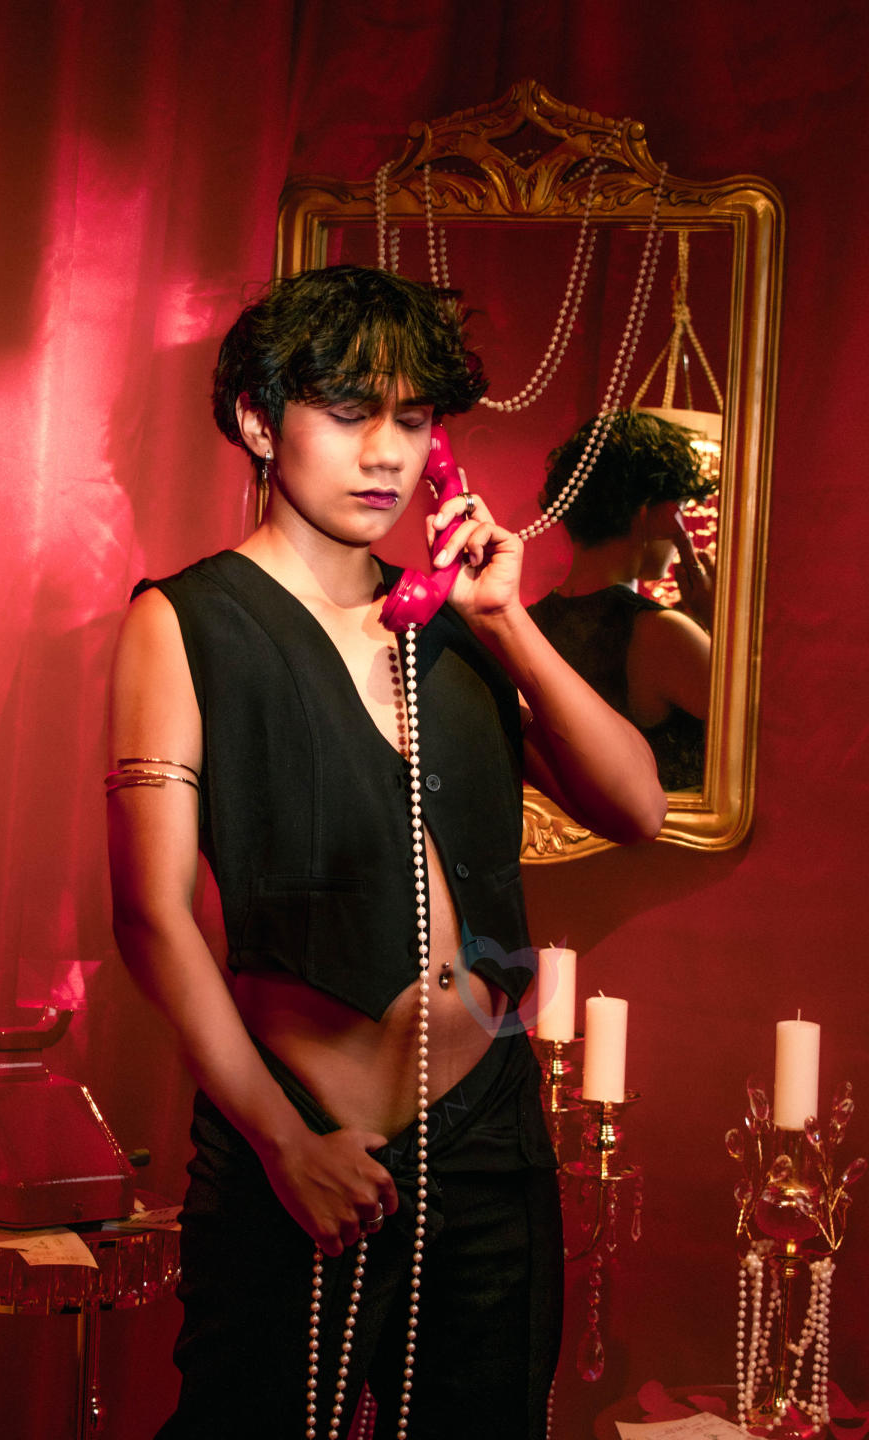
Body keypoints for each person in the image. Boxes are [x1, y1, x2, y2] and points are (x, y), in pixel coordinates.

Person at [106, 265, 665, 1440]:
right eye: (351, 413)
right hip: (308, 1135)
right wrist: (283, 1144)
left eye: (413, 421)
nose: (386, 455)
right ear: (261, 421)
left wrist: (507, 621)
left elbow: (636, 807)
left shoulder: (454, 628)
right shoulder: (189, 621)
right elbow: (152, 916)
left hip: (491, 1146)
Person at [528, 409, 717, 791]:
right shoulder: (664, 635)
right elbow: (761, 734)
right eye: (680, 508)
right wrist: (717, 618)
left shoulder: (528, 624)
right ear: (655, 513)